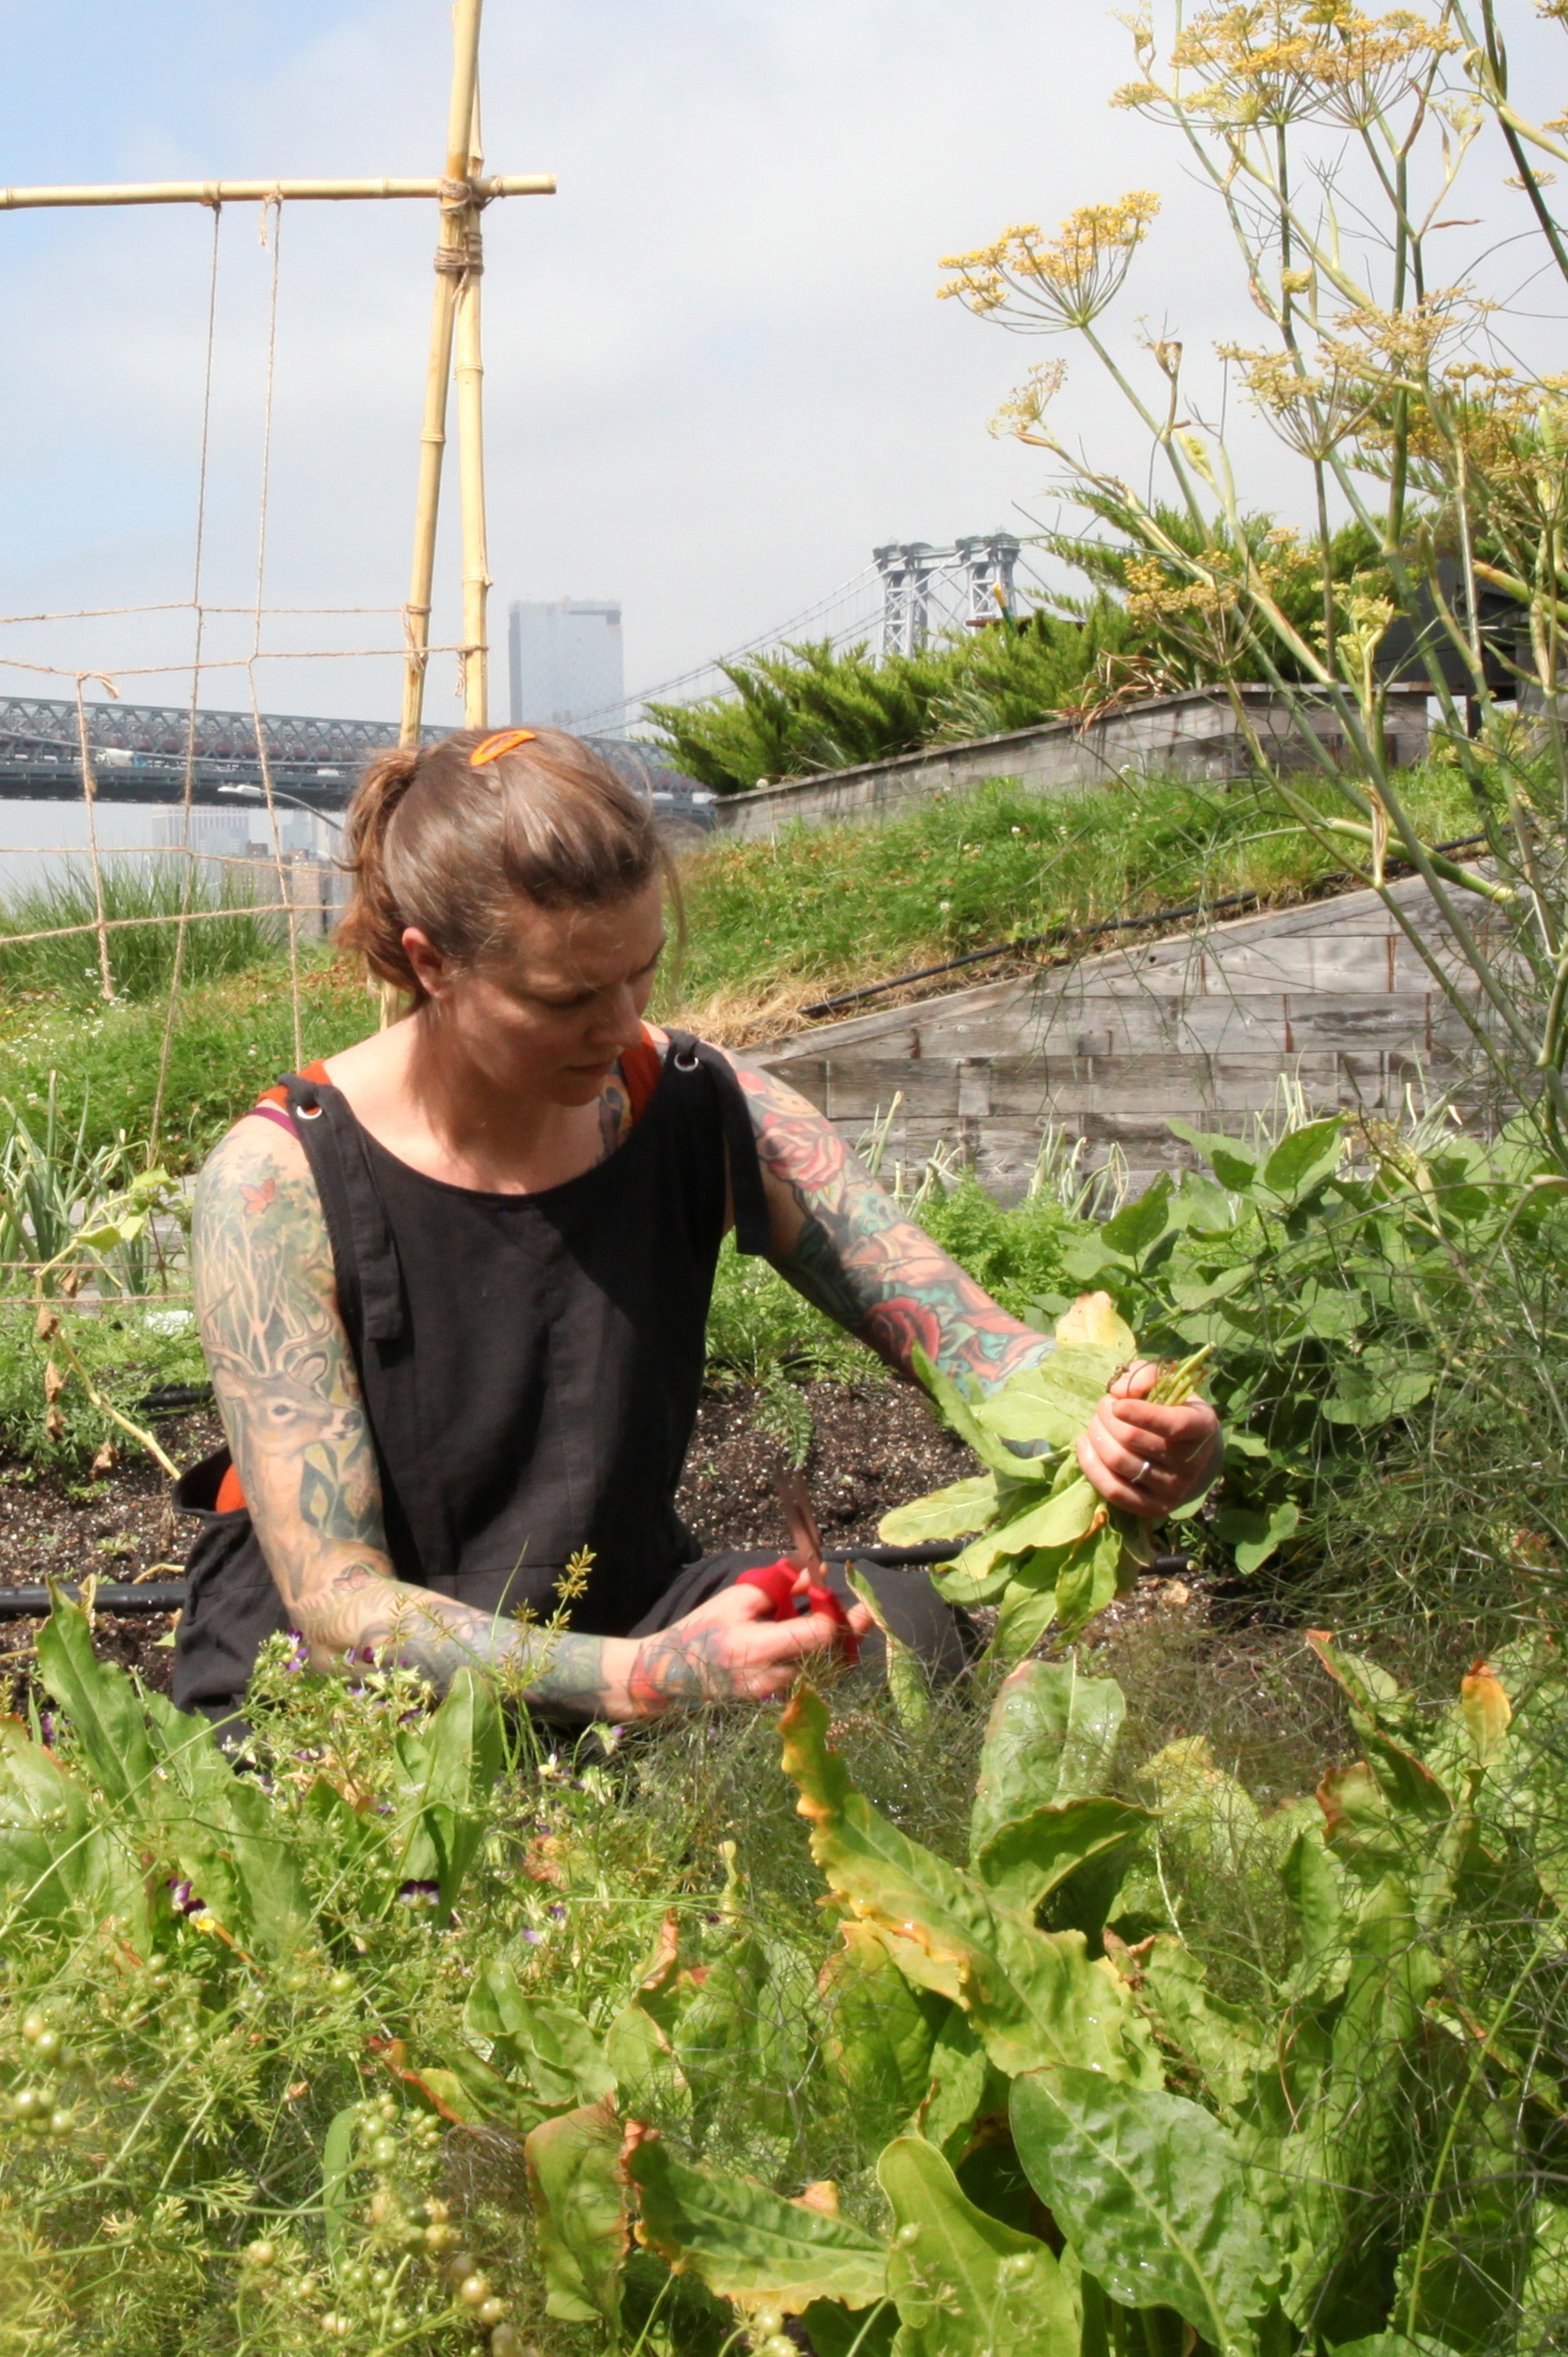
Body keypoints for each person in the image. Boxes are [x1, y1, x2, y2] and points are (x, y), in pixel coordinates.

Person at [173, 723, 1221, 1720]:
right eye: (566, 996)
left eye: (641, 972)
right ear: (433, 963)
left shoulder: (698, 1105)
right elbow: (340, 1604)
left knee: (904, 1636)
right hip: (345, 1693)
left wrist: (1110, 1426)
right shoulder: (276, 1185)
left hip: (624, 1613)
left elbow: (968, 1343)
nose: (621, 1022)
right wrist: (637, 1680)